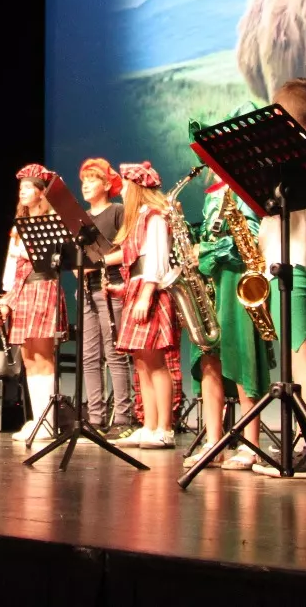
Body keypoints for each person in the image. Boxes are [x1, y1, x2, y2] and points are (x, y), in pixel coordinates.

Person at [249, 78, 306, 477]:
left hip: (296, 262)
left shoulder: (292, 159)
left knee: (302, 358)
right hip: (304, 262)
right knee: (298, 355)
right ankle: (305, 442)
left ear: (281, 114)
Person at [184, 112, 273, 469]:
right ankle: (213, 441)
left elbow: (247, 241)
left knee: (241, 359)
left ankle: (251, 444)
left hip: (236, 280)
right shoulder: (212, 193)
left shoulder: (248, 186)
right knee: (209, 360)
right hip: (209, 282)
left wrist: (206, 251)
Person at [0, 164, 70, 443]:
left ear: (42, 193)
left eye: (29, 187)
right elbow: (11, 264)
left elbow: (56, 261)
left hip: (43, 285)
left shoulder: (52, 223)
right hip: (22, 291)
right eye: (21, 188)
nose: (23, 191)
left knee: (42, 355)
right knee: (28, 358)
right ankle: (39, 417)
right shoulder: (18, 226)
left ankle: (48, 421)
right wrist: (7, 297)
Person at [114, 161, 179, 449]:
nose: (122, 191)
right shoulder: (137, 218)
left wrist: (146, 293)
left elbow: (156, 258)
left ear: (137, 188)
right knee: (141, 362)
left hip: (150, 291)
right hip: (137, 288)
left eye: (126, 186)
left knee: (155, 362)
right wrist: (125, 288)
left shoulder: (154, 217)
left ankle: (165, 427)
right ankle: (149, 424)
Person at [77, 158, 136, 443]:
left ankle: (124, 417)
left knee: (115, 354)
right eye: (83, 181)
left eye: (92, 179)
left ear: (105, 184)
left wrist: (97, 263)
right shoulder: (81, 220)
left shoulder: (117, 212)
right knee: (89, 356)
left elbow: (127, 251)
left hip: (111, 286)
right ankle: (96, 417)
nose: (86, 185)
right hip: (87, 290)